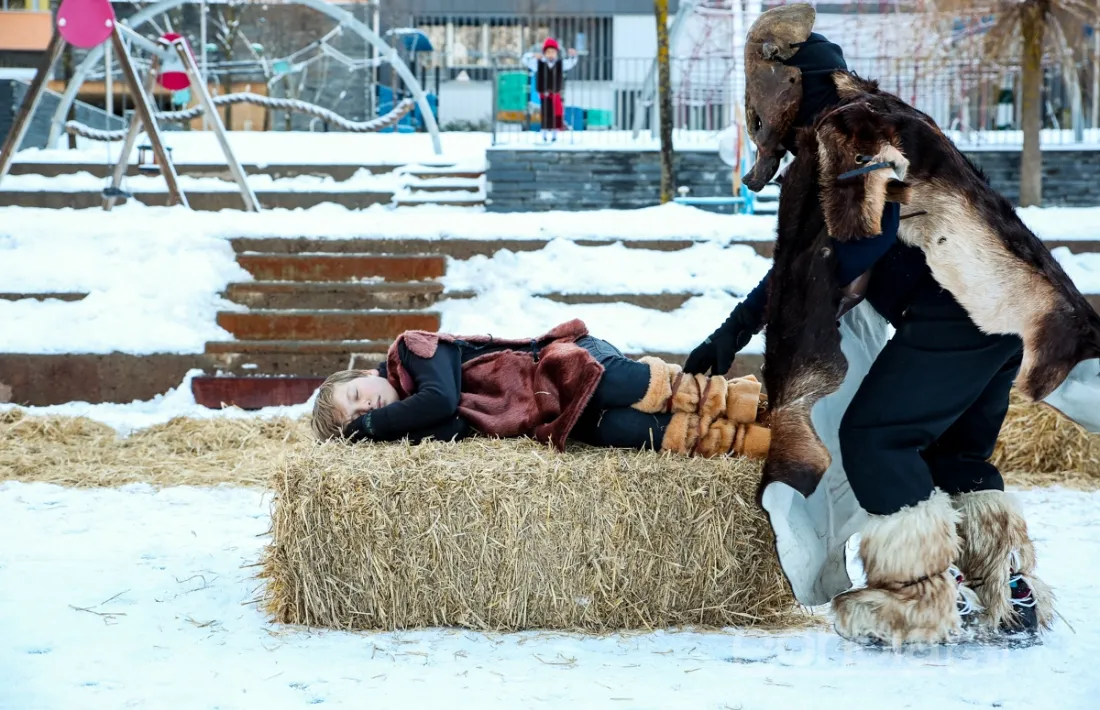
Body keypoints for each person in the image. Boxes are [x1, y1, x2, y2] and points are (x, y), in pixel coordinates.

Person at [685, 26, 1052, 639]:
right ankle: (1002, 592)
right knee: (950, 454)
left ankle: (921, 598)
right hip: (1011, 307)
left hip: (959, 310)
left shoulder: (846, 126)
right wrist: (743, 326)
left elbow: (861, 239)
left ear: (791, 86)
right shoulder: (888, 116)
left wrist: (743, 327)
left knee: (875, 437)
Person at [310, 320, 770, 460]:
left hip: (560, 366)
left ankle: (755, 405)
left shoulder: (411, 350)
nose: (365, 407)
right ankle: (759, 443)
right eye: (354, 417)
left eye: (356, 397)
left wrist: (369, 427)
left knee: (627, 385)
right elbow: (452, 423)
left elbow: (443, 401)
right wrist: (385, 432)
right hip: (557, 416)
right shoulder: (412, 415)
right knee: (639, 432)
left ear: (362, 376)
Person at [522, 38, 579, 142]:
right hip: (544, 93)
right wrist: (532, 55)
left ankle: (554, 133)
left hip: (555, 93)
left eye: (553, 52)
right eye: (548, 52)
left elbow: (571, 63)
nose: (550, 54)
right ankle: (544, 131)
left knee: (555, 112)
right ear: (544, 53)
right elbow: (525, 60)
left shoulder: (560, 64)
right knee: (545, 113)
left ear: (556, 53)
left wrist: (573, 55)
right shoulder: (538, 64)